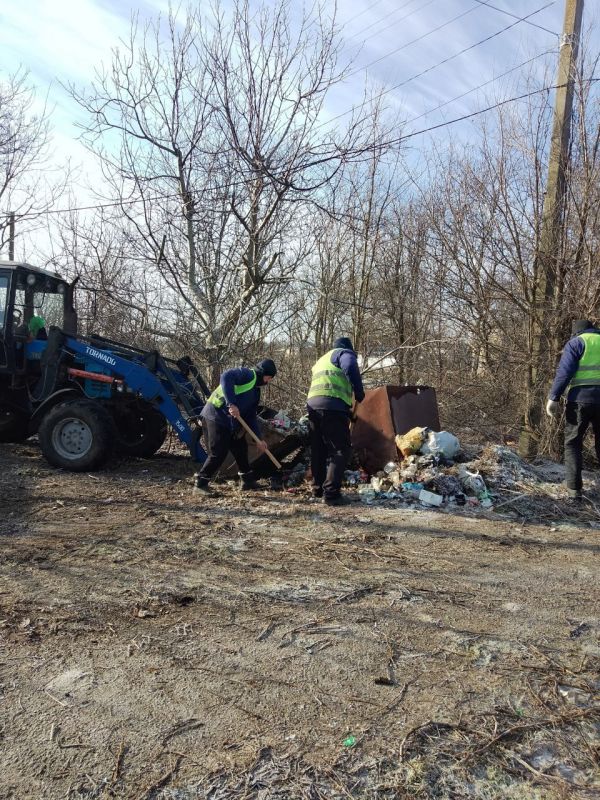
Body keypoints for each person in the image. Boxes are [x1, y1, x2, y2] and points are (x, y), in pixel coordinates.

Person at [193, 359, 277, 495]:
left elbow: (251, 416)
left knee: (240, 448)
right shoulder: (247, 375)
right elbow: (226, 376)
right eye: (269, 378)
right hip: (216, 415)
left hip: (230, 422)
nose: (268, 381)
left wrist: (259, 439)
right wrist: (231, 404)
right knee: (218, 452)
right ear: (263, 374)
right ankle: (200, 483)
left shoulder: (255, 392)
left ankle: (247, 481)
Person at [307, 336, 365, 506]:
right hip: (331, 406)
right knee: (341, 449)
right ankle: (332, 493)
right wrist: (359, 390)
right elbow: (350, 365)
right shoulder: (343, 353)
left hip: (313, 406)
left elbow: (328, 383)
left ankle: (317, 489)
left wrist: (346, 412)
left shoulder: (321, 360)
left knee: (319, 449)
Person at [546, 319, 600, 500]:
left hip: (580, 400)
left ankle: (574, 490)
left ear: (576, 332)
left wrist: (554, 397)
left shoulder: (577, 342)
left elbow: (564, 372)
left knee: (572, 443)